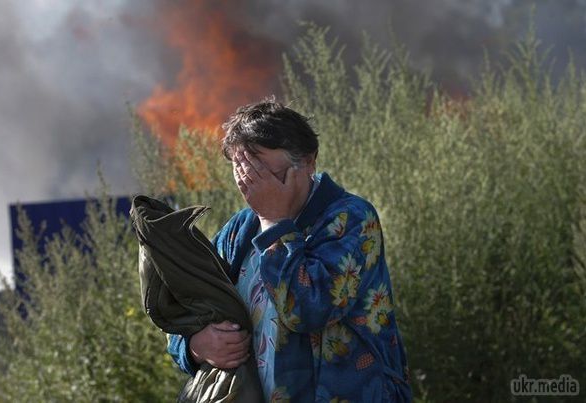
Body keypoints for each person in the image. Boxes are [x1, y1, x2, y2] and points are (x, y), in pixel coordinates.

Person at [167, 99, 412, 402]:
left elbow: (311, 310)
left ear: (308, 162)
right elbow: (188, 307)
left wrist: (275, 222)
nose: (249, 182)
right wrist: (195, 345)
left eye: (262, 169)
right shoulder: (238, 230)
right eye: (240, 168)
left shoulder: (351, 218)